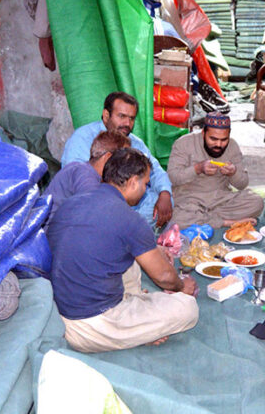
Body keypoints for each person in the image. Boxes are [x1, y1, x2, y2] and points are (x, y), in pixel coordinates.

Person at [47, 148, 199, 353]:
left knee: (132, 255)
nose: (146, 190)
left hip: (58, 313)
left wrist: (155, 251)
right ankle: (135, 330)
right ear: (133, 182)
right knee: (188, 309)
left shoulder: (72, 203)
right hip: (91, 327)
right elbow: (164, 277)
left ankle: (135, 318)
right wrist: (182, 287)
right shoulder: (129, 219)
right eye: (145, 183)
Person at [61, 92, 173, 227]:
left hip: (131, 203)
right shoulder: (83, 138)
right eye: (122, 116)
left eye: (131, 118)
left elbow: (156, 171)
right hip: (96, 204)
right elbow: (79, 184)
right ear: (106, 115)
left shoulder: (135, 142)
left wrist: (165, 193)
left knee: (165, 204)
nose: (127, 123)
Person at [167, 112, 263, 229]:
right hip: (190, 200)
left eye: (224, 140)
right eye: (213, 139)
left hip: (220, 199)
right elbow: (173, 177)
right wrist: (198, 169)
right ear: (203, 133)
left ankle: (204, 219)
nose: (218, 144)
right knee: (179, 218)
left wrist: (233, 173)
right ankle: (226, 222)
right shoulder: (184, 143)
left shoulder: (232, 146)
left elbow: (242, 184)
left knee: (257, 202)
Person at [43, 130, 130, 227]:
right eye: (124, 161)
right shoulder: (83, 173)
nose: (125, 167)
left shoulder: (88, 173)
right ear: (108, 157)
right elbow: (94, 210)